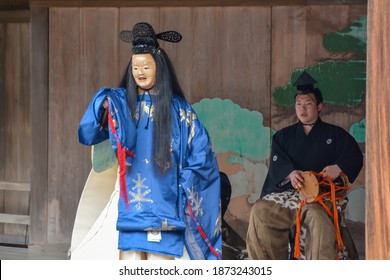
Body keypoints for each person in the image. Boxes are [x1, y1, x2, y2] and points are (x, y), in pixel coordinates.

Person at [76, 22, 222, 260]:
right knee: (128, 263)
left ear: (159, 68)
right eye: (135, 67)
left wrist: (183, 183)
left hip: (167, 205)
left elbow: (202, 153)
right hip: (127, 207)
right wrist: (103, 104)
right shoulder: (122, 104)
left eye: (146, 66)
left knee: (160, 265)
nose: (140, 72)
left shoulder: (179, 110)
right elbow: (89, 132)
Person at [246, 71, 363, 260]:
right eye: (298, 104)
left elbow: (354, 156)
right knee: (260, 211)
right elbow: (278, 164)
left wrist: (338, 168)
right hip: (288, 195)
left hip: (318, 197)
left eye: (308, 104)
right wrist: (290, 173)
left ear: (319, 107)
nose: (302, 109)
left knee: (319, 220)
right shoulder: (283, 136)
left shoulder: (336, 135)